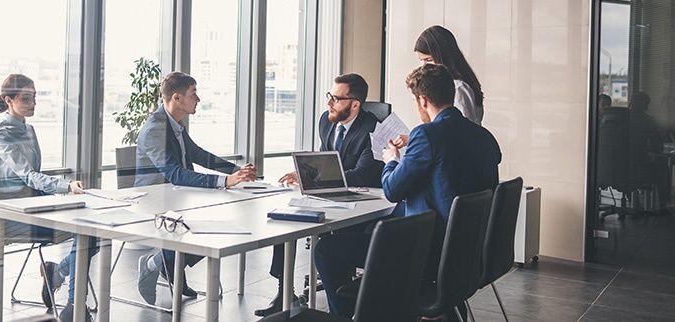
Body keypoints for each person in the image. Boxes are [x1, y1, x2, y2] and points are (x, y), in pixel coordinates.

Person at [255, 73, 384, 317]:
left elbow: (364, 174)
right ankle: (285, 294)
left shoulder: (372, 129)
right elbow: (325, 160)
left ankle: (343, 309)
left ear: (355, 104)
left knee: (330, 247)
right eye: (329, 96)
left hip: (361, 201)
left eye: (336, 98)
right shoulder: (327, 120)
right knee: (286, 220)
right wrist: (305, 174)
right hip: (327, 194)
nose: (329, 103)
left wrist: (316, 178)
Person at [134, 71, 257, 305]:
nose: (198, 99)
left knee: (214, 225)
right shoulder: (155, 129)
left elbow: (198, 154)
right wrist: (224, 182)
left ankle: (167, 264)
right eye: (194, 94)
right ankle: (155, 264)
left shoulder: (175, 125)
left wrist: (235, 171)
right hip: (154, 202)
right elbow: (174, 174)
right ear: (177, 98)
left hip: (176, 198)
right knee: (206, 229)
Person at [381, 64, 501, 282]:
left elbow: (391, 190)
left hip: (431, 250)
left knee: (330, 250)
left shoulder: (426, 135)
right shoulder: (485, 136)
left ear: (423, 100)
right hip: (473, 247)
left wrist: (392, 161)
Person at [0, 74, 94, 320]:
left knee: (93, 229)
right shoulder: (2, 134)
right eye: (26, 98)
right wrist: (65, 186)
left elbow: (34, 176)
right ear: (9, 100)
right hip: (14, 212)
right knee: (86, 232)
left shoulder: (29, 129)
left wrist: (63, 189)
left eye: (34, 97)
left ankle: (57, 272)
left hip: (35, 203)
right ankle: (73, 306)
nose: (33, 103)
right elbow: (28, 175)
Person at [414, 25, 485, 125]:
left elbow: (463, 134)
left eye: (429, 60)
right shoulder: (446, 85)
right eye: (422, 61)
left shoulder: (459, 88)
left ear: (443, 56)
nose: (424, 67)